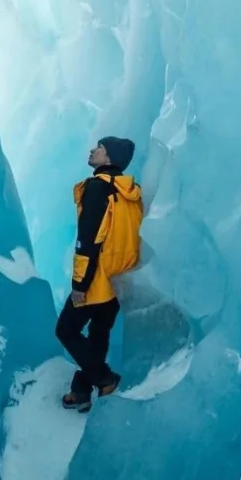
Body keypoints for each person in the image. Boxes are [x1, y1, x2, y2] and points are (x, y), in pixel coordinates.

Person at [56, 135, 142, 412]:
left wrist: (80, 282)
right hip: (122, 276)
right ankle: (81, 390)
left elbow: (89, 238)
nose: (93, 150)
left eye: (100, 148)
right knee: (99, 332)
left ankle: (105, 379)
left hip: (98, 276)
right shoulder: (131, 192)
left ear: (110, 157)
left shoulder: (97, 189)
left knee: (66, 330)